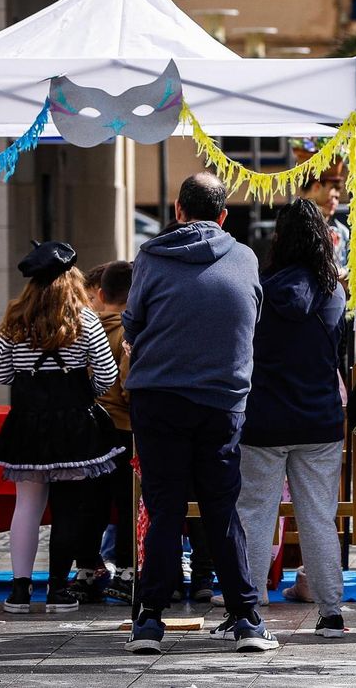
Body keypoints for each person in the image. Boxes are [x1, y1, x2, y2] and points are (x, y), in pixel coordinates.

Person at [121, 172, 275, 654]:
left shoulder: (150, 256)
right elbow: (251, 315)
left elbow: (133, 321)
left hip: (158, 395)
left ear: (177, 210)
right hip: (222, 399)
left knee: (164, 507)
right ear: (223, 215)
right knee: (221, 509)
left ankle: (149, 620)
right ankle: (246, 618)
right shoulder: (246, 257)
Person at [235, 200, 349, 638]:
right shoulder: (333, 293)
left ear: (278, 239)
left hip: (263, 416)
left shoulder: (260, 290)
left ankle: (248, 609)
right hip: (319, 417)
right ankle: (332, 613)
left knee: (255, 515)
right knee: (319, 516)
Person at [0, 242, 122, 615]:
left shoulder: (15, 319)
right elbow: (108, 375)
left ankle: (18, 591)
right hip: (75, 425)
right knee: (69, 509)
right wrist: (83, 391)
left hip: (28, 423)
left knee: (27, 505)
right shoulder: (86, 320)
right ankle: (58, 589)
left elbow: (1, 373)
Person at [81, 261, 135, 603]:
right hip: (126, 429)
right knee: (129, 502)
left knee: (91, 503)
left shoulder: (82, 330)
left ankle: (88, 568)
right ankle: (129, 571)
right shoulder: (131, 332)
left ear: (99, 294)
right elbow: (130, 385)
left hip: (90, 428)